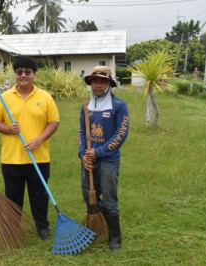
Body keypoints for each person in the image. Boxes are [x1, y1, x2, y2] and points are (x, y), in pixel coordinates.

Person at [0, 56, 60, 241]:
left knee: (39, 195)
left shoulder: (45, 97)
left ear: (34, 75)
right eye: (19, 72)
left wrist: (39, 140)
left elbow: (54, 122)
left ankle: (42, 227)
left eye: (27, 72)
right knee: (13, 196)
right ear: (15, 75)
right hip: (12, 158)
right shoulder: (4, 98)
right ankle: (12, 227)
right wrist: (8, 129)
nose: (23, 75)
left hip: (39, 157)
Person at [78, 65, 129, 251]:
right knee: (89, 197)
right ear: (91, 83)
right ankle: (97, 229)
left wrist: (98, 152)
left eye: (102, 81)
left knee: (108, 199)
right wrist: (83, 153)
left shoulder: (119, 105)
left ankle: (115, 237)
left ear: (109, 83)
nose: (98, 85)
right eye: (95, 81)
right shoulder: (86, 105)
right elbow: (81, 132)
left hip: (108, 161)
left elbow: (121, 134)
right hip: (88, 161)